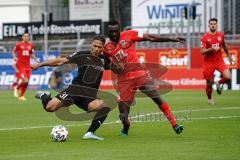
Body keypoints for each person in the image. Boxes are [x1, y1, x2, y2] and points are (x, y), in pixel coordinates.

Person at [104, 21, 185, 136]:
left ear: (119, 30)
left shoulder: (130, 34)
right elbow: (107, 65)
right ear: (107, 32)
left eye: (115, 31)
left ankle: (174, 124)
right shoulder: (107, 48)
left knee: (157, 97)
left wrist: (173, 39)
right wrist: (114, 66)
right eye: (111, 31)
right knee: (123, 115)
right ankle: (126, 126)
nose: (113, 34)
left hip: (139, 75)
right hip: (124, 81)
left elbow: (150, 37)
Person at [31, 36, 111, 140]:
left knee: (104, 107)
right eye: (94, 46)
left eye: (99, 47)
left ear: (102, 48)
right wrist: (40, 64)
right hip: (74, 90)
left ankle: (89, 133)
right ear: (91, 44)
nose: (96, 48)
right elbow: (61, 61)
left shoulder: (104, 60)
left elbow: (116, 68)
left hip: (88, 96)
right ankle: (43, 95)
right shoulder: (82, 54)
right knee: (50, 107)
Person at [200, 18, 232, 105]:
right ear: (208, 25)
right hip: (208, 62)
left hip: (219, 60)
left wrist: (228, 55)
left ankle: (218, 83)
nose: (213, 25)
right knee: (209, 84)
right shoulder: (204, 37)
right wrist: (212, 49)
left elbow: (224, 45)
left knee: (228, 77)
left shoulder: (221, 35)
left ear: (216, 25)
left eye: (214, 24)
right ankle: (210, 99)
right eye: (211, 24)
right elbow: (202, 52)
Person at [12, 33, 40, 100]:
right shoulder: (19, 44)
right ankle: (17, 88)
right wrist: (15, 57)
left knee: (26, 82)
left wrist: (37, 60)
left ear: (29, 37)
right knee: (25, 80)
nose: (26, 37)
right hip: (21, 66)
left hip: (28, 66)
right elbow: (13, 52)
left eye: (27, 36)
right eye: (25, 36)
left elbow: (32, 54)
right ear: (22, 37)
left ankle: (21, 96)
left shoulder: (31, 45)